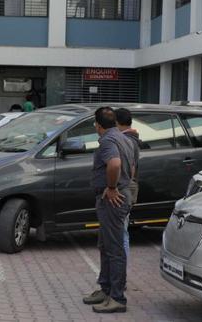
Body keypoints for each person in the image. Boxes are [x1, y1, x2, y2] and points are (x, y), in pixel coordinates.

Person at [83, 107, 135, 314]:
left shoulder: (107, 141)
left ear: (98, 124)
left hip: (113, 200)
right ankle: (105, 289)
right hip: (119, 196)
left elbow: (114, 164)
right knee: (105, 245)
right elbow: (131, 169)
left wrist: (112, 187)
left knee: (114, 249)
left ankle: (117, 298)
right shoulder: (124, 138)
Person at [114, 108, 141, 261]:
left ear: (117, 122)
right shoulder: (132, 138)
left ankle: (120, 270)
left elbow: (129, 169)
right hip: (128, 188)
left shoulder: (127, 141)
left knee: (121, 232)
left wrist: (115, 187)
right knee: (121, 229)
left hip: (124, 188)